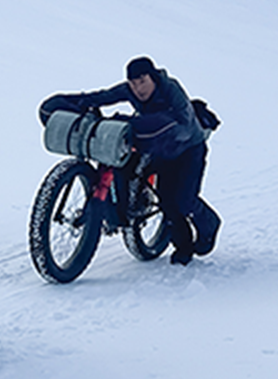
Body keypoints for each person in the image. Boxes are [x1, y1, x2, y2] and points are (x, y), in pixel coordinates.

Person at [38, 56, 221, 265]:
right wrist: (72, 104)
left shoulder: (171, 89)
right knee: (166, 200)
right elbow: (102, 96)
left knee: (184, 201)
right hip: (158, 147)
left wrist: (133, 123)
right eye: (133, 83)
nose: (138, 88)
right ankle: (183, 246)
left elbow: (184, 126)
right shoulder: (130, 90)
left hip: (188, 149)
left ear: (153, 77)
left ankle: (210, 224)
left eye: (142, 81)